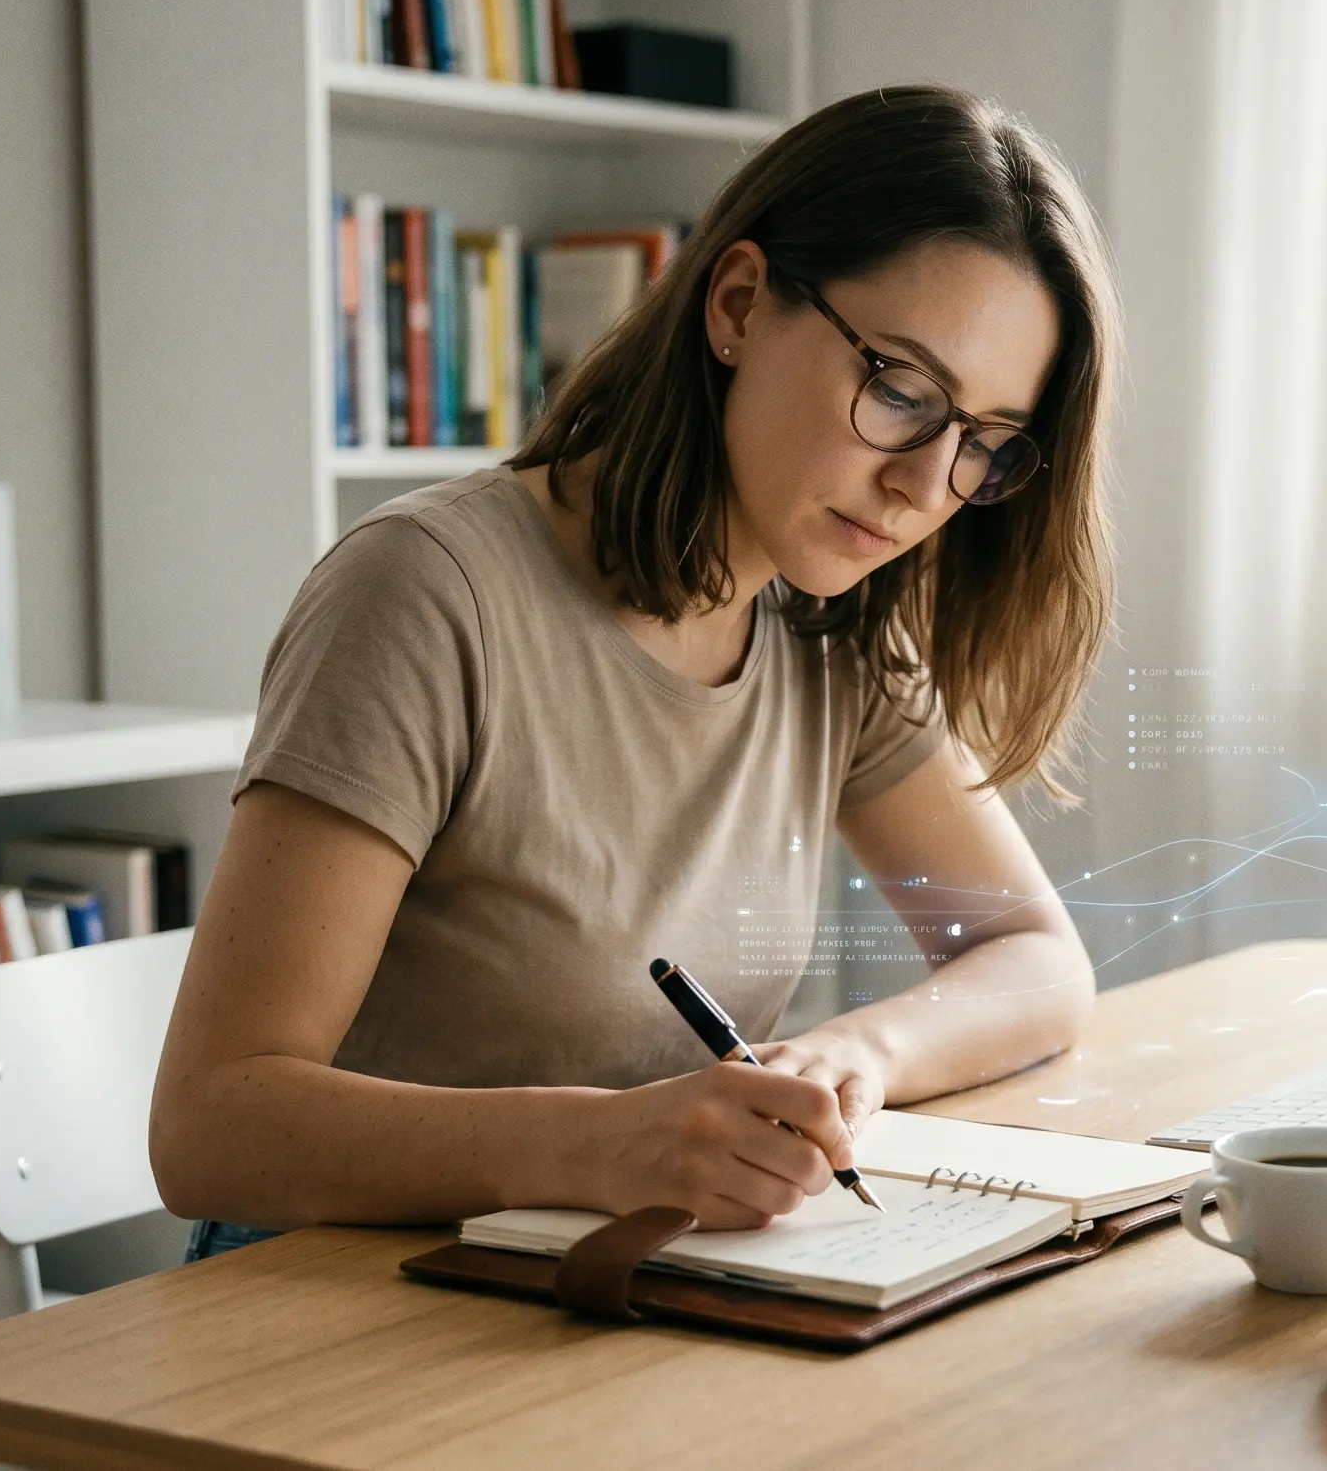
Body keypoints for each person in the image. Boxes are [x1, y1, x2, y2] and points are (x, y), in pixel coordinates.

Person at [149, 84, 1121, 1259]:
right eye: (902, 393)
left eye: (986, 443)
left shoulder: (834, 628)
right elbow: (211, 1126)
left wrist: (853, 1058)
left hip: (605, 1287)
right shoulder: (425, 593)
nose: (926, 489)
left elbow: (1035, 960)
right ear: (741, 304)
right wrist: (601, 1147)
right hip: (339, 1309)